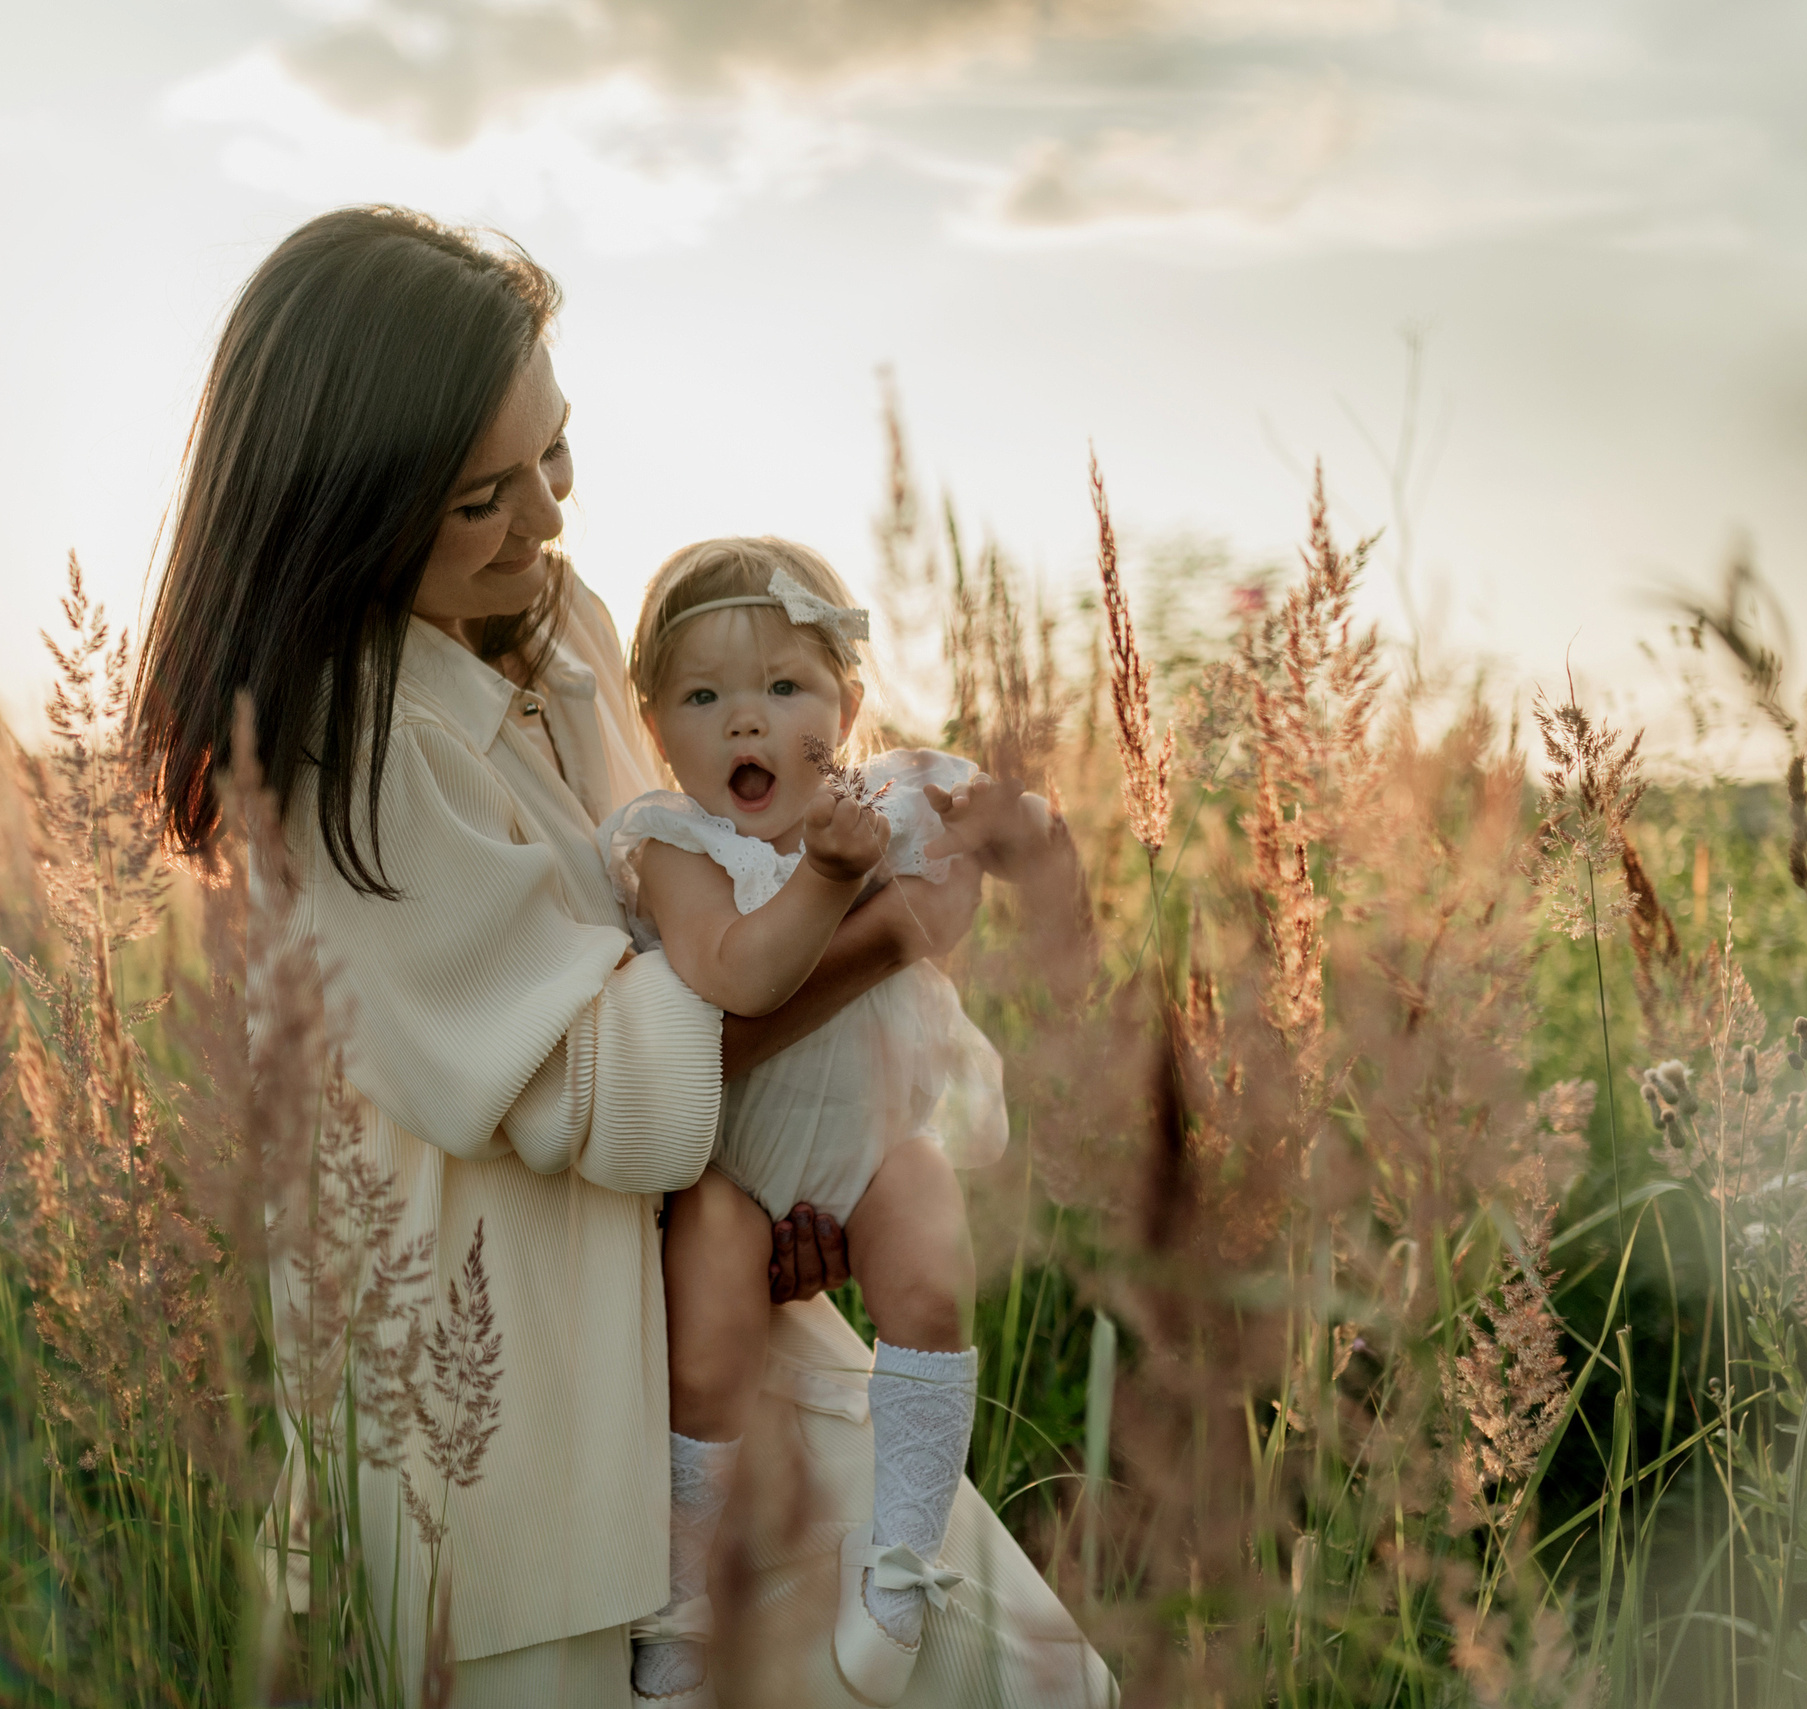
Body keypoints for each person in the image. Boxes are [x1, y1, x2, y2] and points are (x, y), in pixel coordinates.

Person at [134, 205, 1110, 1706]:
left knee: (1033, 1678)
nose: (542, 520)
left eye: (555, 457)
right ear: (348, 506)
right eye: (481, 498)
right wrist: (891, 934)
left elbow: (689, 917)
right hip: (520, 1425)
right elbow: (610, 1095)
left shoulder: (563, 621)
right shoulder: (346, 758)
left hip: (704, 1316)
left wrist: (794, 1174)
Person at [601, 538, 1084, 1706]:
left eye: (784, 688)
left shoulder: (899, 795)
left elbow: (1036, 869)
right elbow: (730, 974)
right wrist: (826, 879)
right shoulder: (676, 844)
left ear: (848, 705)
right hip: (734, 1166)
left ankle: (904, 1553)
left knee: (928, 1265)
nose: (745, 725)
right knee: (708, 1338)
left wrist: (1026, 827)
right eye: (704, 698)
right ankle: (682, 1586)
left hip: (874, 1137)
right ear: (657, 723)